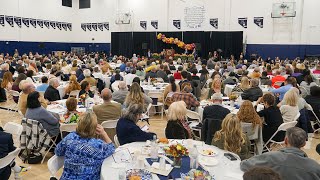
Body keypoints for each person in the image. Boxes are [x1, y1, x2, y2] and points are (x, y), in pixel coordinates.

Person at [240, 127, 320, 179]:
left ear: (285, 140)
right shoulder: (315, 167)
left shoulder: (270, 157)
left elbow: (244, 165)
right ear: (304, 144)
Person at [55, 112, 115, 180]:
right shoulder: (98, 145)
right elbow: (112, 148)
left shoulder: (70, 137)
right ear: (95, 127)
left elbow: (58, 151)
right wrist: (103, 133)